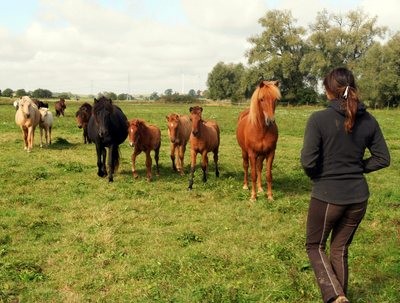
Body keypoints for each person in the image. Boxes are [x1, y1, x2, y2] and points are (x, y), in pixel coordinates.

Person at [300, 67, 390, 303]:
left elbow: (307, 162)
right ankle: (341, 297)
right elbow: (383, 158)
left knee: (314, 246)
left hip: (328, 196)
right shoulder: (369, 120)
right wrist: (357, 167)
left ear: (329, 90)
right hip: (359, 198)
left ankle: (335, 296)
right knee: (339, 248)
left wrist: (321, 176)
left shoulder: (318, 119)